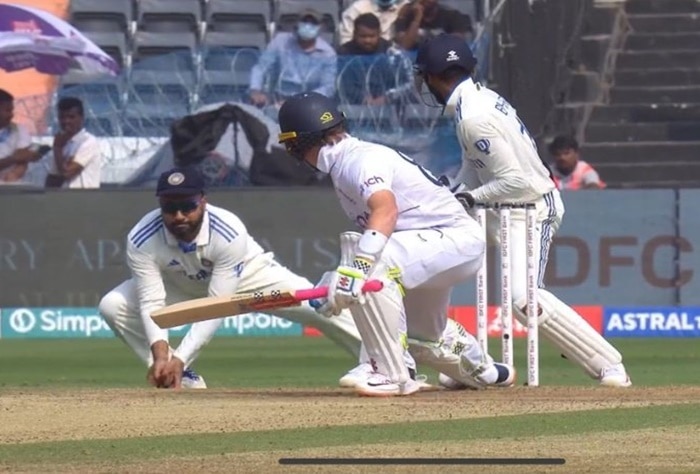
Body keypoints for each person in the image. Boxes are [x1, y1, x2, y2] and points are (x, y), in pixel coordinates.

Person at [414, 34, 631, 388]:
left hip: (530, 207)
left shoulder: (473, 116)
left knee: (522, 299)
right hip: (499, 205)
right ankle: (467, 364)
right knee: (435, 254)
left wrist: (470, 198)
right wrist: (456, 191)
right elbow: (474, 161)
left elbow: (513, 179)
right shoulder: (479, 99)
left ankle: (609, 366)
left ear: (434, 77)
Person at [277, 91, 515, 397]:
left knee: (370, 262)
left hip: (455, 238)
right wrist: (339, 278)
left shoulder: (356, 160)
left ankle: (387, 370)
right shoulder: (346, 161)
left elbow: (385, 211)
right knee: (424, 338)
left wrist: (355, 270)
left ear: (298, 144)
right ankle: (486, 370)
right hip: (430, 245)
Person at [98, 166, 363, 389]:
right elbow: (151, 302)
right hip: (179, 284)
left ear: (203, 201)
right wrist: (162, 355)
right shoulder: (141, 238)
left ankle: (381, 364)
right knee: (113, 305)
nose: (179, 216)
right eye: (170, 207)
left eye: (187, 206)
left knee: (320, 306)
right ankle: (174, 374)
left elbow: (217, 306)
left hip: (250, 276)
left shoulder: (228, 231)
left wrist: (182, 356)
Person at [248, 8, 336, 109]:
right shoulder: (280, 41)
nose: (308, 26)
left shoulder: (328, 53)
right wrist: (255, 90)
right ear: (297, 24)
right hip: (277, 99)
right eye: (304, 22)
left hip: (309, 104)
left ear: (320, 27)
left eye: (313, 23)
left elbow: (328, 87)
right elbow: (260, 67)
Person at [336, 13, 413, 106]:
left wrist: (386, 98)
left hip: (388, 106)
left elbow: (407, 82)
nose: (367, 40)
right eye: (363, 36)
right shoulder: (344, 52)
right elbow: (341, 82)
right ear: (354, 34)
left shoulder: (390, 51)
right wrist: (363, 99)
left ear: (379, 34)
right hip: (352, 105)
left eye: (372, 36)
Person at [45, 97, 101, 189]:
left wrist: (57, 149)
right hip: (63, 199)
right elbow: (53, 177)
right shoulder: (61, 142)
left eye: (71, 117)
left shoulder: (88, 141)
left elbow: (67, 173)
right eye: (62, 117)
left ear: (81, 118)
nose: (66, 121)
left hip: (84, 199)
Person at [0, 89, 47, 183]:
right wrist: (13, 158)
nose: (11, 115)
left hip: (10, 188)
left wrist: (14, 174)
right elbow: (18, 157)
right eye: (7, 110)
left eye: (11, 110)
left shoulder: (19, 130)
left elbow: (23, 158)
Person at [394, 0, 471, 51]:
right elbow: (404, 46)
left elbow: (457, 42)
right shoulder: (406, 16)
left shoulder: (452, 15)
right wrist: (417, 19)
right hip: (415, 66)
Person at [338, 0, 409, 45]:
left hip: (395, 62)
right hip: (359, 60)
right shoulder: (356, 9)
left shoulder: (406, 7)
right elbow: (345, 43)